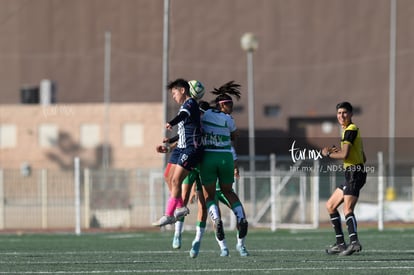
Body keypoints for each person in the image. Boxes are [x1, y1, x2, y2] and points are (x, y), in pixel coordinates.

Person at [191, 81, 249, 258]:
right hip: (225, 158)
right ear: (222, 104)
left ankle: (216, 220)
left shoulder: (205, 114)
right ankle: (240, 218)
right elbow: (234, 135)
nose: (231, 107)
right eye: (229, 104)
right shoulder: (228, 120)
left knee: (209, 196)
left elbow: (194, 121)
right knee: (229, 191)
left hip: (209, 157)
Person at [152, 78, 203, 227]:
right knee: (168, 177)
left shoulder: (190, 103)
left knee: (176, 180)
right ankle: (180, 206)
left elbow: (182, 117)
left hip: (190, 148)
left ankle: (169, 215)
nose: (173, 97)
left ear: (182, 90)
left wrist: (171, 122)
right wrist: (170, 142)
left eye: (174, 93)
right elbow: (184, 130)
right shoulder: (184, 107)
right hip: (180, 148)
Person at [322, 101, 367, 256]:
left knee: (347, 209)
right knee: (330, 205)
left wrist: (328, 154)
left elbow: (345, 155)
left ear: (351, 114)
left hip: (355, 173)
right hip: (352, 173)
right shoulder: (348, 131)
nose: (342, 115)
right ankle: (341, 244)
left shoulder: (350, 130)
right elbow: (363, 157)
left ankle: (354, 243)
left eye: (345, 113)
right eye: (339, 113)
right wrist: (342, 151)